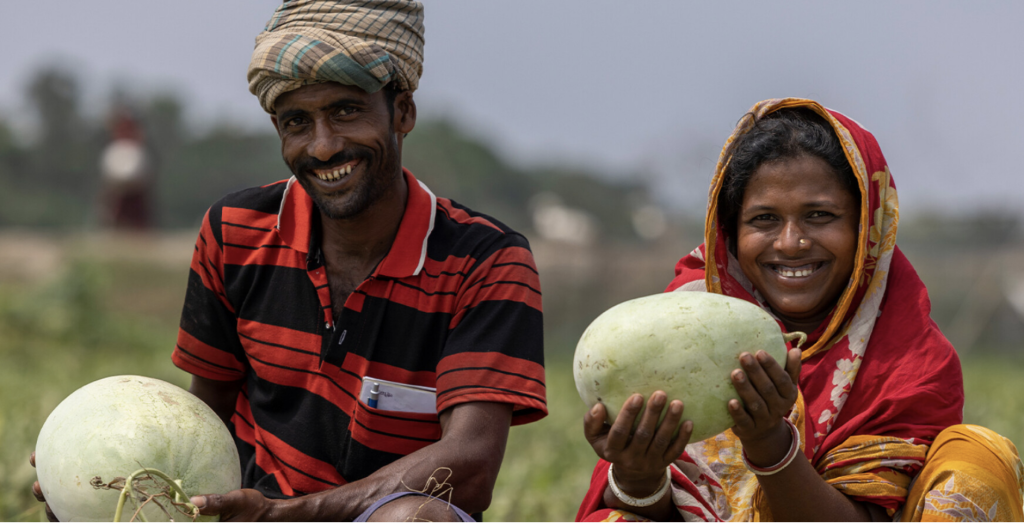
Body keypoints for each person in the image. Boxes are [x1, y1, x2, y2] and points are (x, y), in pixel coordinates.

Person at [32, 0, 546, 522]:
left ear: (403, 111)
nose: (322, 147)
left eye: (346, 111)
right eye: (297, 121)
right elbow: (203, 419)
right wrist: (89, 471)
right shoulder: (234, 231)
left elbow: (473, 467)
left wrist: (291, 513)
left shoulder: (487, 261)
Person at [576, 98, 1024, 521]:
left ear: (867, 226)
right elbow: (640, 509)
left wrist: (769, 443)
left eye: (820, 216)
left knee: (977, 459)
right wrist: (638, 473)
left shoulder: (911, 360)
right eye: (764, 219)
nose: (791, 243)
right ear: (730, 233)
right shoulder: (680, 328)